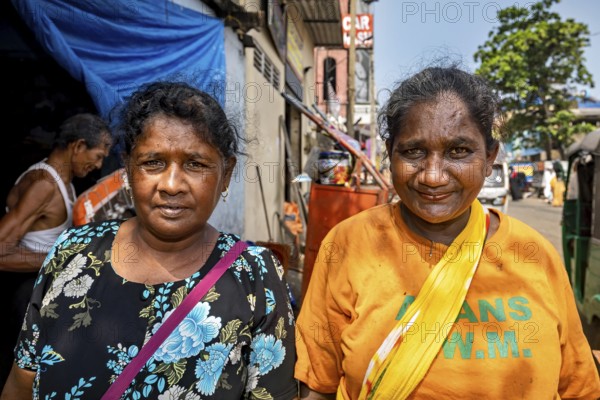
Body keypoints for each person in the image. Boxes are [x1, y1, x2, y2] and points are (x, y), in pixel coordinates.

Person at [295, 66, 600, 399]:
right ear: (390, 153)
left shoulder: (533, 252)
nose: (433, 177)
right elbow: (318, 387)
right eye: (413, 152)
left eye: (459, 152)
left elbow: (577, 386)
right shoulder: (349, 245)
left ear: (489, 158)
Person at [1, 81, 298, 399]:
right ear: (128, 168)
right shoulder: (71, 250)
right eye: (153, 163)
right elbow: (22, 382)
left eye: (195, 164)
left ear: (226, 174)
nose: (171, 185)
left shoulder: (254, 274)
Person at [0, 113, 112, 388]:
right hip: (23, 295)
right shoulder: (44, 185)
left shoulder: (65, 183)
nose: (98, 165)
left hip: (36, 292)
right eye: (97, 156)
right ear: (77, 146)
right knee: (23, 378)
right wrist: (62, 259)